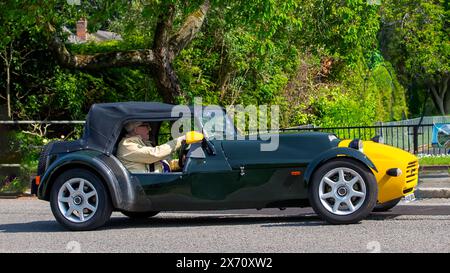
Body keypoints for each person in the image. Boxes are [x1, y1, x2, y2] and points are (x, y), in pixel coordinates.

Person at [116, 121, 185, 173]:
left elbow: (161, 162)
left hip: (159, 181)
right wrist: (180, 140)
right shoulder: (127, 145)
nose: (149, 129)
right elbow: (154, 154)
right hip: (146, 186)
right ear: (136, 129)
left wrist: (178, 163)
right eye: (146, 125)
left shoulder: (145, 143)